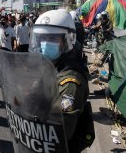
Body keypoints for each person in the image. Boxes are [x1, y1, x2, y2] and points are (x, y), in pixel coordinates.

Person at [29, 9, 90, 152]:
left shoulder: (70, 81)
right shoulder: (51, 66)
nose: (45, 43)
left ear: (68, 40)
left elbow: (61, 133)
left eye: (52, 39)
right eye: (42, 38)